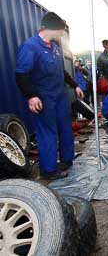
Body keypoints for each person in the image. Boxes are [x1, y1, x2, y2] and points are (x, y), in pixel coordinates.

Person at [15, 12, 84, 180]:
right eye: (60, 30)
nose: (61, 34)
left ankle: (67, 159)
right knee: (48, 132)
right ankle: (49, 170)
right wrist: (31, 96)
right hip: (43, 97)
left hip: (59, 95)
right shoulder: (30, 47)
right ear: (53, 28)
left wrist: (75, 86)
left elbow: (62, 72)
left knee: (65, 127)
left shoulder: (54, 48)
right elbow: (21, 74)